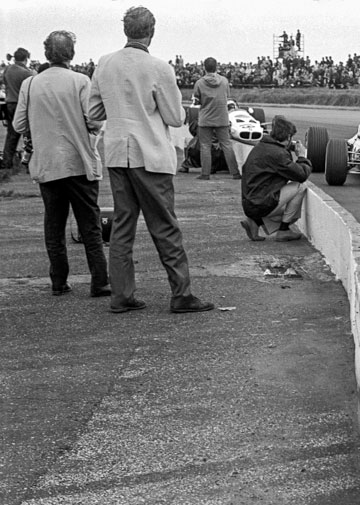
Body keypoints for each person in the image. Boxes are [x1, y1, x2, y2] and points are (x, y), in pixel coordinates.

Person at [88, 6, 213, 314]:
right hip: (150, 155)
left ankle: (122, 295)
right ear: (151, 33)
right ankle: (181, 293)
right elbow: (173, 116)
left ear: (125, 31)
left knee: (122, 227)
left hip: (118, 153)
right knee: (165, 226)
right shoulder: (159, 68)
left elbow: (93, 113)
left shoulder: (104, 64)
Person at [12, 30, 110, 298]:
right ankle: (100, 281)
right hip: (78, 162)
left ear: (46, 54)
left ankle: (58, 280)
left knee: (53, 225)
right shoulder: (80, 81)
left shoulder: (30, 84)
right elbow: (95, 120)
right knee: (89, 225)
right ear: (72, 54)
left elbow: (19, 124)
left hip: (47, 163)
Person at [240, 115, 311, 242]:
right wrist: (302, 157)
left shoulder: (262, 147)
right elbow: (301, 175)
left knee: (279, 194)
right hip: (259, 203)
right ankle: (283, 230)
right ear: (289, 137)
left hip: (250, 202)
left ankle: (255, 222)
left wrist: (287, 148)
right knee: (300, 187)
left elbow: (276, 157)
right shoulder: (278, 154)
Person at [191, 57, 241, 181]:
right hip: (222, 117)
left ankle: (205, 173)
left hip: (206, 118)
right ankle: (235, 173)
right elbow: (227, 96)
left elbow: (196, 101)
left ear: (204, 67)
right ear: (216, 67)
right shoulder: (224, 81)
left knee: (205, 146)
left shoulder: (199, 83)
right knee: (227, 145)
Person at [2, 48, 34, 169]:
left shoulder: (8, 69)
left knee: (11, 134)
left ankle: (7, 160)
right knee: (28, 133)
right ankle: (28, 160)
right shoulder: (26, 73)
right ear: (26, 58)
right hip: (21, 104)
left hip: (9, 103)